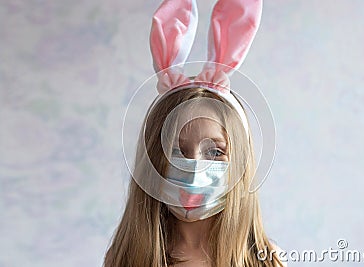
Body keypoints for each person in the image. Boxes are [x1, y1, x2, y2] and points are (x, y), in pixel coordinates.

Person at [104, 0, 286, 266]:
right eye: (175, 150)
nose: (194, 167)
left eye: (215, 151)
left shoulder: (265, 260)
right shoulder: (126, 258)